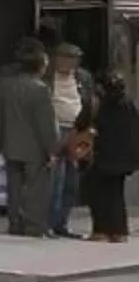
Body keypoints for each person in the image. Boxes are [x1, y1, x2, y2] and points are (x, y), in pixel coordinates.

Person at [0, 37, 61, 236]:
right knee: (36, 190)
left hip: (10, 144)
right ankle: (34, 226)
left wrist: (0, 141)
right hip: (34, 148)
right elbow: (44, 124)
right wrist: (52, 150)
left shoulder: (4, 86)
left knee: (14, 188)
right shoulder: (40, 89)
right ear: (39, 66)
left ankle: (15, 223)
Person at [50, 42, 97, 238]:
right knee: (56, 180)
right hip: (55, 129)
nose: (69, 63)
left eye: (73, 60)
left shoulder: (83, 77)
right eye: (65, 58)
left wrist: (88, 127)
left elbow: (90, 101)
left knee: (72, 181)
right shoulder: (47, 77)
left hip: (77, 130)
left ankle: (61, 223)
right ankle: (50, 223)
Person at [86, 73, 139, 242]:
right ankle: (119, 231)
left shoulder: (99, 105)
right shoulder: (129, 105)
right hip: (123, 157)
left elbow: (83, 123)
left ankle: (101, 230)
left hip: (102, 155)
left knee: (98, 193)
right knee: (116, 194)